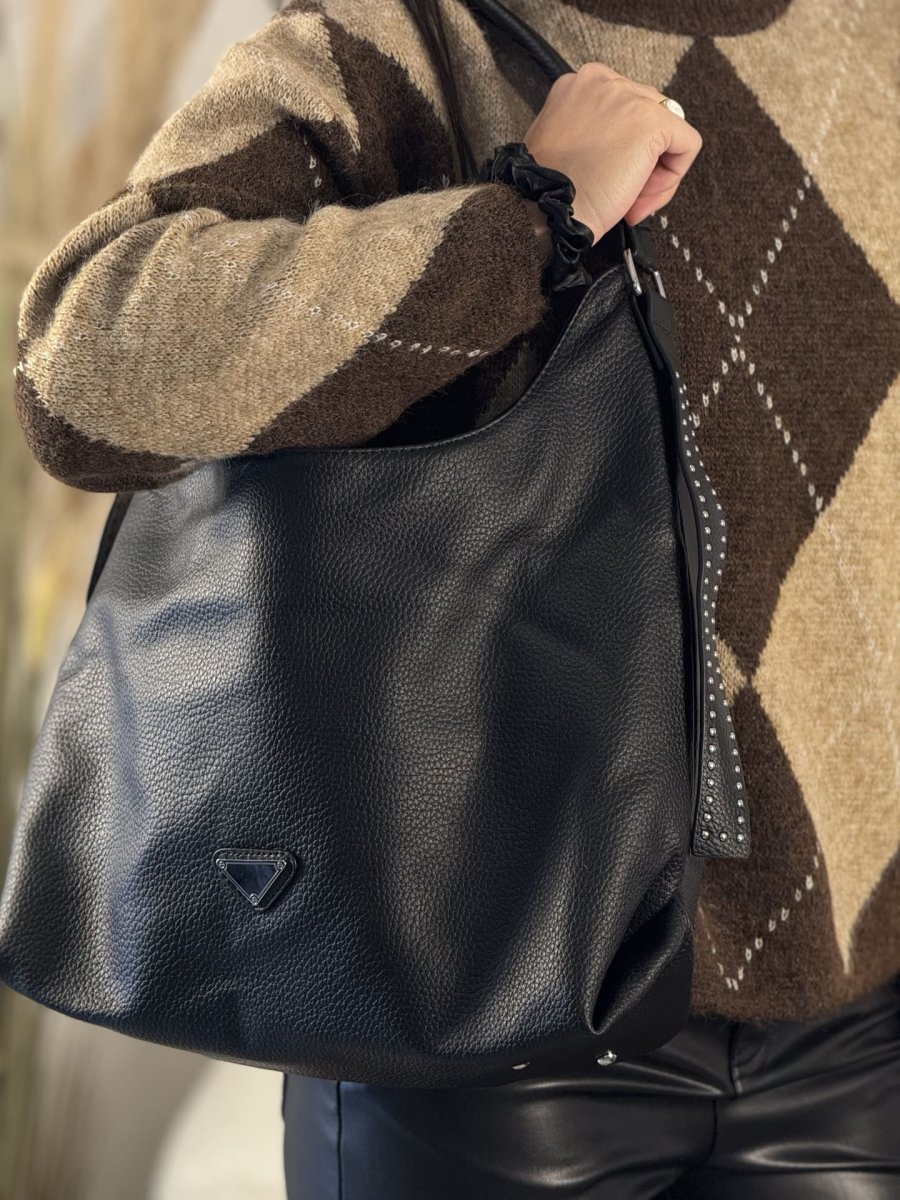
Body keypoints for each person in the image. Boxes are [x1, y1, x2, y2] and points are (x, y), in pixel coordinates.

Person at [13, 0, 898, 1196]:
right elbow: (84, 362)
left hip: (850, 1024)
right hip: (478, 1026)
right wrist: (531, 219)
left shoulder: (874, 38)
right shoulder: (402, 35)